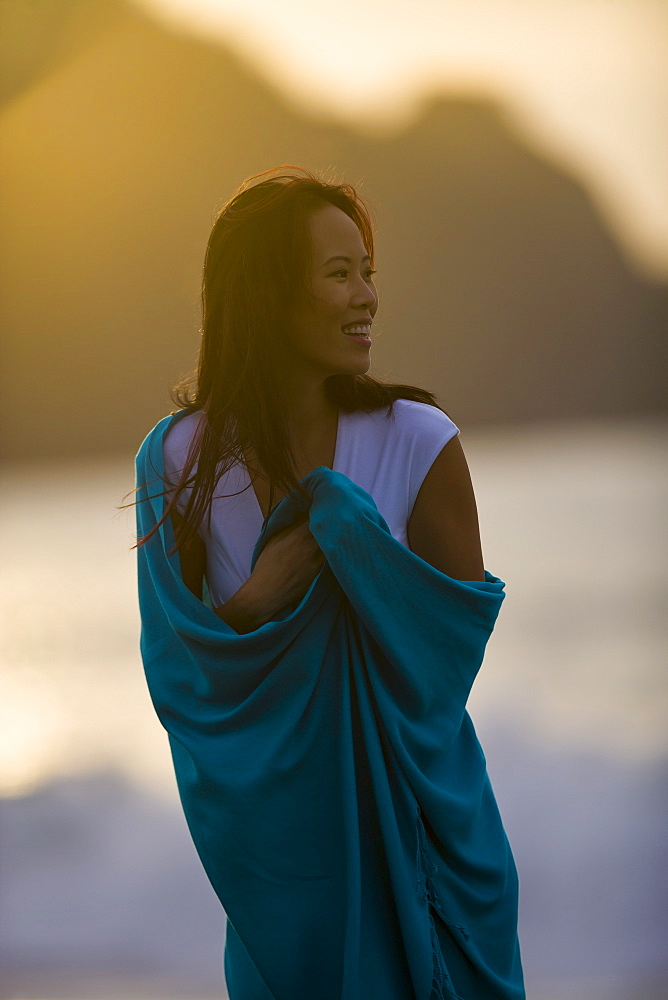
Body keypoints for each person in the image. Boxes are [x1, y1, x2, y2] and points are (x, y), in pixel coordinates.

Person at [133, 165, 525, 999]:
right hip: (284, 874)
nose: (368, 297)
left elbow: (449, 660)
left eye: (368, 272)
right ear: (269, 295)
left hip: (427, 845)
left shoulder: (419, 442)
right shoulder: (180, 461)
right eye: (339, 274)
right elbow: (178, 675)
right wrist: (257, 599)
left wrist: (352, 541)